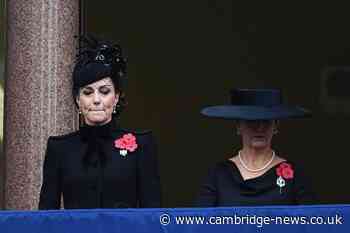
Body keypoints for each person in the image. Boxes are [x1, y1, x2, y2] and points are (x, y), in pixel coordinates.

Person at [39, 36, 161, 209]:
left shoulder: (142, 145)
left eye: (104, 92)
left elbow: (153, 214)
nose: (96, 100)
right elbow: (46, 217)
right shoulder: (60, 148)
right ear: (77, 100)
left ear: (116, 97)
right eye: (87, 93)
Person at [196, 88, 316, 207]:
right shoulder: (218, 174)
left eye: (266, 121)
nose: (259, 128)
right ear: (238, 126)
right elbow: (199, 222)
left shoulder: (295, 175)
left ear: (275, 126)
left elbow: (313, 221)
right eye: (251, 121)